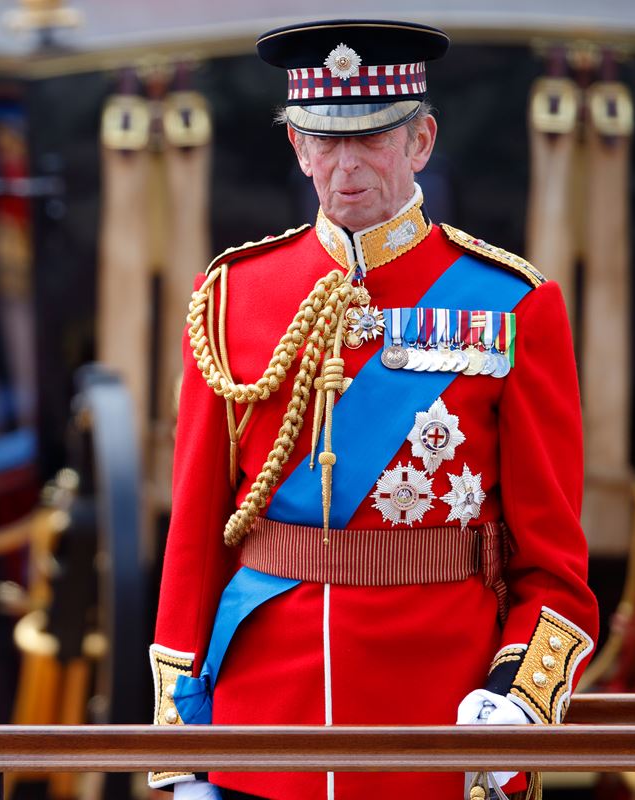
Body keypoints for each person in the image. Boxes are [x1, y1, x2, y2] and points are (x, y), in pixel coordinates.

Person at [148, 19, 599, 800]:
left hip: (435, 735)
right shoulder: (229, 299)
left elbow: (555, 570)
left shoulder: (510, 304)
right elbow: (194, 541)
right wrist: (183, 752)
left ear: (421, 140)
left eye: (374, 140)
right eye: (324, 142)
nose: (346, 167)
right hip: (261, 734)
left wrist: (518, 701)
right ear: (298, 149)